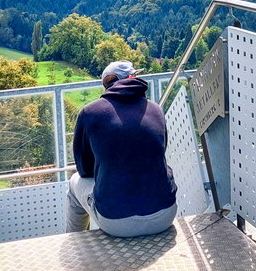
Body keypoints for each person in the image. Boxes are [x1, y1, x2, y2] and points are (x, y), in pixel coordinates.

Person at [66, 60, 177, 237]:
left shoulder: (89, 113)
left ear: (106, 84)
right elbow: (159, 153)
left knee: (74, 183)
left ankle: (75, 242)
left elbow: (84, 170)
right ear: (133, 78)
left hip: (116, 224)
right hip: (165, 215)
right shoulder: (156, 109)